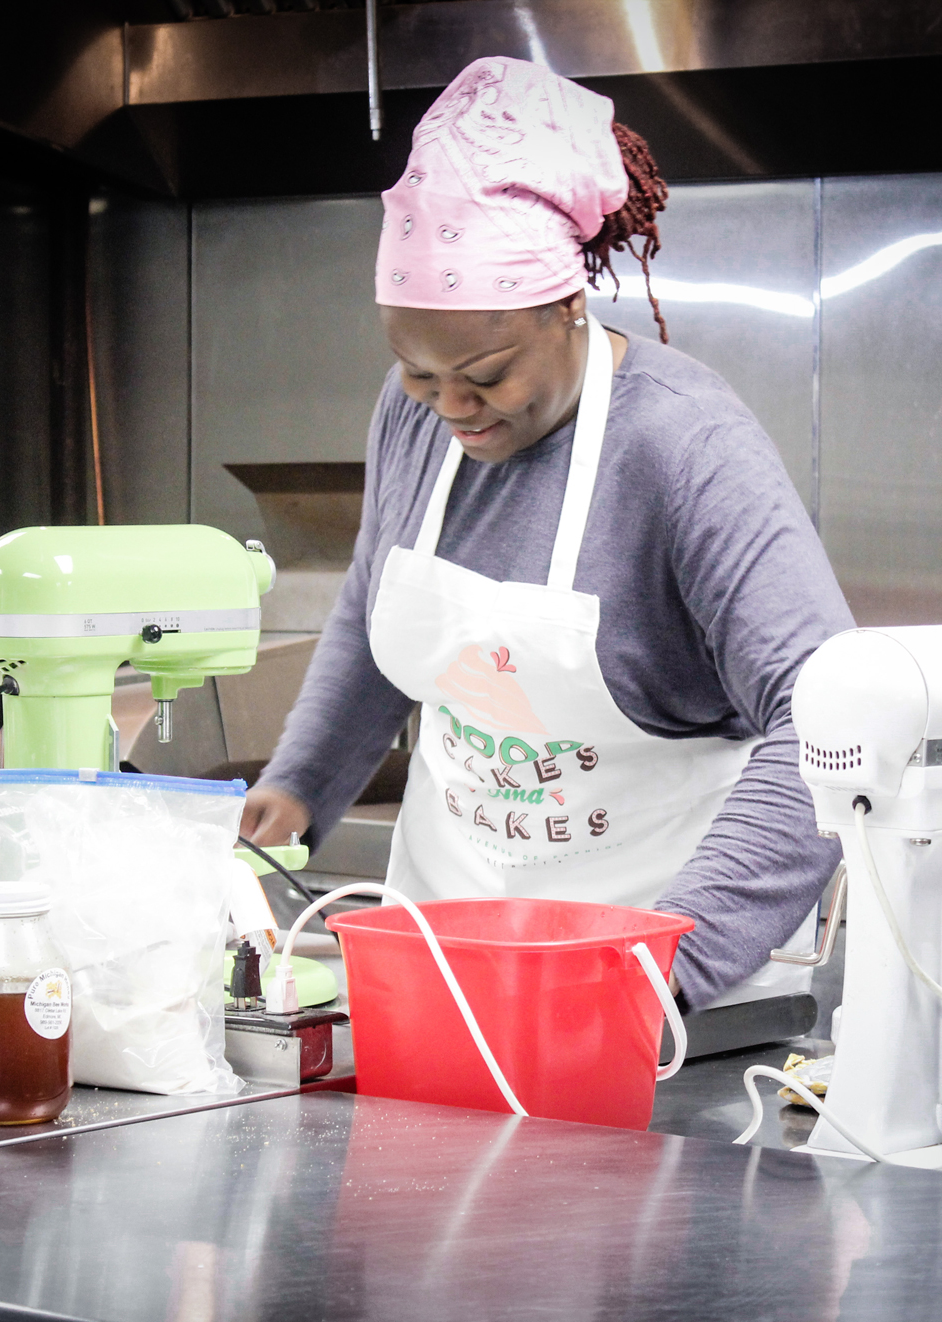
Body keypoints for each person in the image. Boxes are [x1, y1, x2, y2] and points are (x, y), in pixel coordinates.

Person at [242, 57, 853, 1010]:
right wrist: (300, 787)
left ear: (568, 305)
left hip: (653, 1005)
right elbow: (374, 604)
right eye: (414, 370)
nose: (451, 406)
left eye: (483, 373)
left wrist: (661, 973)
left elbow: (830, 724)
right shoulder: (414, 420)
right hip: (440, 971)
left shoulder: (683, 444)